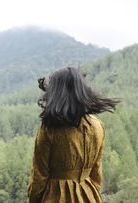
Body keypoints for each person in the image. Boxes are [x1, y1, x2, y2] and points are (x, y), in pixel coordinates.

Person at [27, 67, 120, 203]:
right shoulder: (97, 125)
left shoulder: (50, 128)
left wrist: (33, 200)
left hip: (55, 197)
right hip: (89, 195)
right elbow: (96, 173)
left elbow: (39, 176)